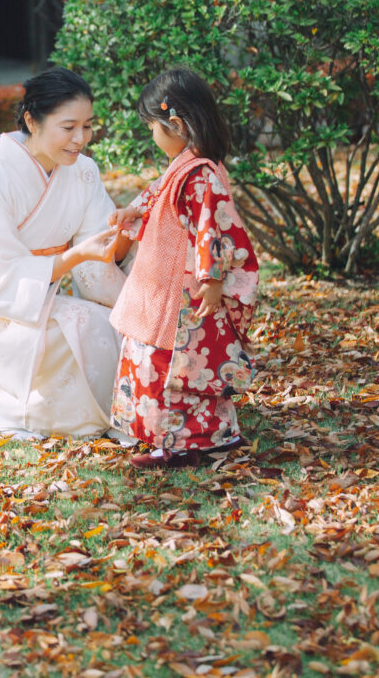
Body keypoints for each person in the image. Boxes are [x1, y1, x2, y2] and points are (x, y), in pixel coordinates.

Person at [0, 68, 133, 439]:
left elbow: (97, 241)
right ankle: (25, 413)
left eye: (87, 127)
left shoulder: (83, 171)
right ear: (32, 121)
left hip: (43, 286)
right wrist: (73, 259)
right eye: (68, 126)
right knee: (87, 324)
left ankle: (101, 412)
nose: (80, 139)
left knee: (124, 319)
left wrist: (125, 231)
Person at [108, 68, 259, 469]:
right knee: (161, 361)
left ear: (174, 124)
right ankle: (192, 440)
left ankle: (187, 444)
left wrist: (212, 280)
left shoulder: (201, 173)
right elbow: (156, 198)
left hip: (184, 291)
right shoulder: (186, 167)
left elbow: (212, 227)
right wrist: (132, 212)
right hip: (163, 284)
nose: (153, 137)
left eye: (152, 128)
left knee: (174, 366)